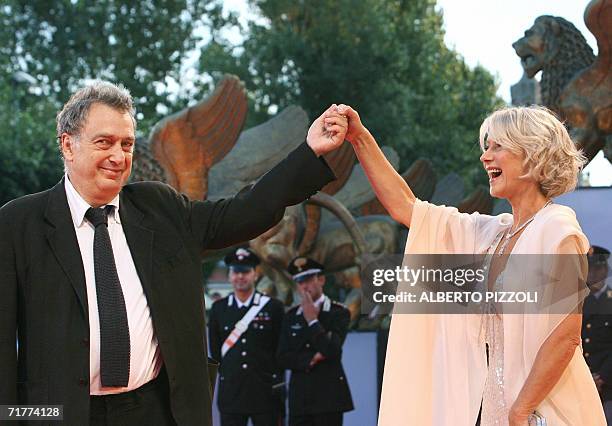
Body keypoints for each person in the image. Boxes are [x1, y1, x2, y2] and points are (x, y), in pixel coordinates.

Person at [0, 81, 348, 425]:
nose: (118, 156)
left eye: (127, 144)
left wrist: (309, 151)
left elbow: (245, 211)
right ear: (68, 145)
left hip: (158, 410)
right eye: (104, 142)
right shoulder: (18, 224)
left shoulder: (159, 207)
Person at [335, 104, 606, 425]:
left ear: (533, 155)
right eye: (486, 146)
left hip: (546, 412)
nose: (485, 156)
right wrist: (359, 138)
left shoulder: (557, 228)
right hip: (500, 410)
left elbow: (566, 336)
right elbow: (407, 207)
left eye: (497, 146)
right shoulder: (492, 235)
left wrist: (521, 410)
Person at [208, 247, 285, 426]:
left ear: (255, 274)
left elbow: (279, 348)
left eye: (245, 271)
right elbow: (216, 351)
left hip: (265, 392)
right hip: (232, 394)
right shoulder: (219, 309)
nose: (240, 277)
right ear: (229, 276)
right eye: (235, 272)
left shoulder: (272, 307)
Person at [277, 257, 354, 426]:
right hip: (300, 400)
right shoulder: (291, 316)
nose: (304, 286)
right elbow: (282, 357)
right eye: (299, 282)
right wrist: (310, 359)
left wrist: (312, 321)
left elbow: (332, 350)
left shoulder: (338, 312)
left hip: (329, 399)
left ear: (321, 280)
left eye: (308, 280)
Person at [582, 245, 612, 423]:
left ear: (605, 270)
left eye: (597, 269)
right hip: (578, 380)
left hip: (608, 385)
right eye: (589, 269)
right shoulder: (575, 302)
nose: (592, 274)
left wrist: (601, 378)